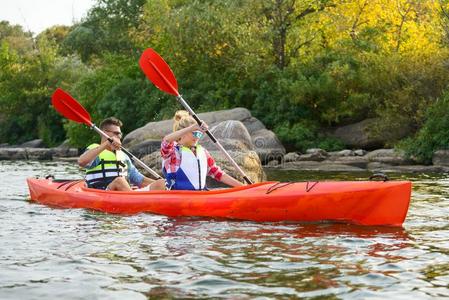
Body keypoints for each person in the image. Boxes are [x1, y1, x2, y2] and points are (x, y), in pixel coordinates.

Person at [161, 110, 244, 190]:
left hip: (199, 195)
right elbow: (166, 141)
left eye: (199, 134)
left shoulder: (203, 152)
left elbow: (218, 173)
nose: (197, 137)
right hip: (178, 196)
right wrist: (191, 128)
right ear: (183, 132)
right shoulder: (172, 152)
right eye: (194, 133)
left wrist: (243, 187)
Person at [78, 117, 165, 191]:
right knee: (120, 181)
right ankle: (136, 203)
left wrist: (166, 184)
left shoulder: (123, 155)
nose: (119, 136)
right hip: (103, 193)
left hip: (124, 194)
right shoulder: (95, 150)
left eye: (120, 134)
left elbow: (140, 180)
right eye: (116, 133)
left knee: (161, 183)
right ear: (104, 133)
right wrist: (106, 144)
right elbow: (82, 162)